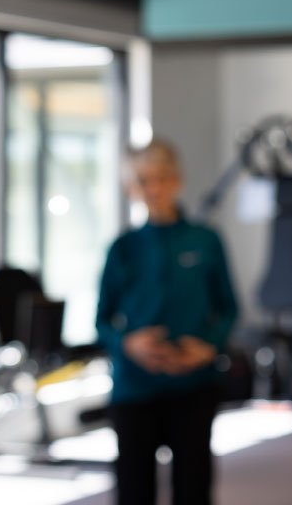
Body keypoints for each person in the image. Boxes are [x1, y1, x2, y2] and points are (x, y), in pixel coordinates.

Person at [97, 137, 240, 505]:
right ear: (132, 188)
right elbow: (102, 320)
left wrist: (209, 346)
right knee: (134, 489)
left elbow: (228, 308)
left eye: (161, 177)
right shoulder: (123, 248)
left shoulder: (205, 240)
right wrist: (128, 343)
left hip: (193, 385)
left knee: (193, 487)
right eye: (144, 180)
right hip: (134, 388)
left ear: (177, 180)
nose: (154, 187)